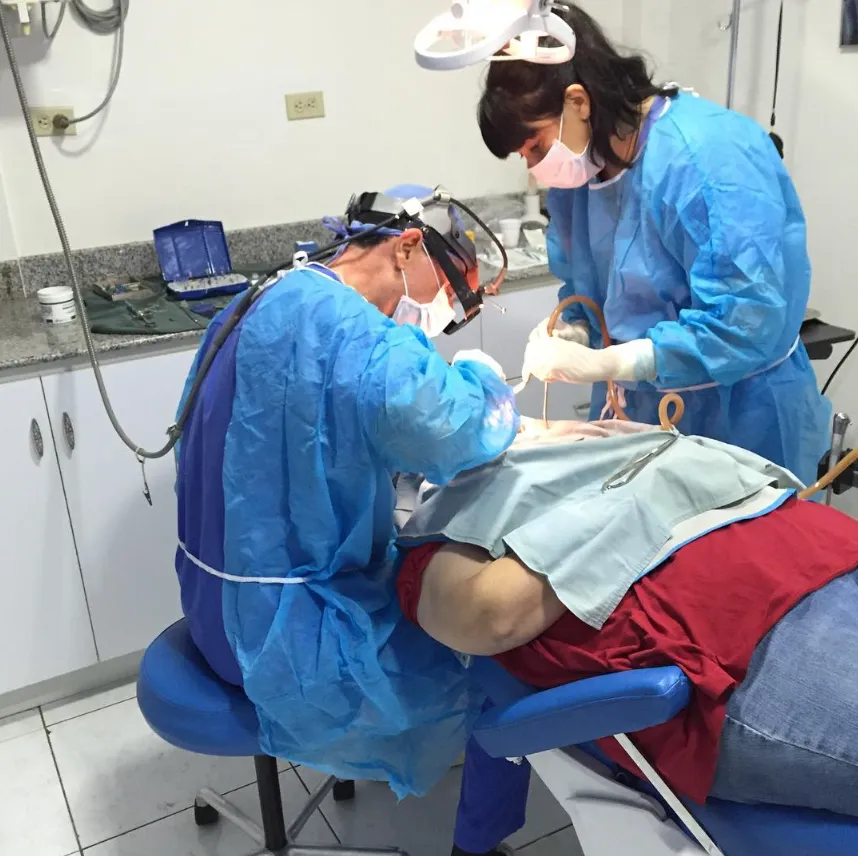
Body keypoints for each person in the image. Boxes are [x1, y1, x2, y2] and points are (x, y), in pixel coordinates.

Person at [173, 184, 519, 799]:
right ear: (406, 247)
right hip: (282, 643)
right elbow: (459, 429)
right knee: (487, 653)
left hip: (209, 606)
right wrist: (487, 380)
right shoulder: (351, 333)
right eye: (449, 293)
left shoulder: (272, 294)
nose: (443, 315)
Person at [395, 418, 858, 853]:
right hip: (744, 635)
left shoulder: (594, 437)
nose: (519, 426)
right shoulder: (447, 526)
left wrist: (615, 445)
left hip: (824, 550)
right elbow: (489, 615)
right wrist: (644, 488)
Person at [477, 2, 831, 486]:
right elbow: (591, 287)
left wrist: (617, 360)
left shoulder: (705, 157)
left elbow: (747, 322)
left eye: (535, 145)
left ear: (578, 102)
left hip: (739, 418)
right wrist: (578, 331)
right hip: (637, 413)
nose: (535, 166)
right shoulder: (583, 176)